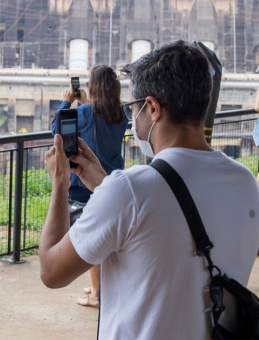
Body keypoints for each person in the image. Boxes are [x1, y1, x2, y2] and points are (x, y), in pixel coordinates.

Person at [40, 40, 259, 339]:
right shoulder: (246, 182)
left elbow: (52, 272)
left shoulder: (129, 191)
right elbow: (160, 224)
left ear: (153, 108)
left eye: (134, 107)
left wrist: (60, 183)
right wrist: (105, 185)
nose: (132, 117)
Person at [50, 65, 128, 308]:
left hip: (84, 187)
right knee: (107, 238)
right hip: (111, 182)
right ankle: (100, 285)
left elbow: (56, 132)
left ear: (93, 87)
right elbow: (97, 119)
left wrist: (66, 103)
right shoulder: (121, 114)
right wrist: (84, 104)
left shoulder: (84, 112)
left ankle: (96, 294)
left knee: (93, 243)